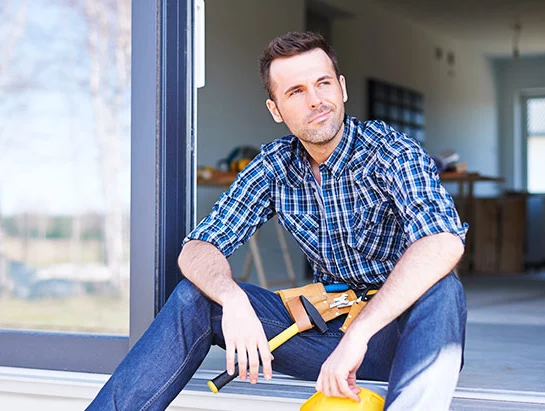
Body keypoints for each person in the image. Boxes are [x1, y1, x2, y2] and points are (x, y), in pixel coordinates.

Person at [87, 31, 468, 411]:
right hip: (326, 333)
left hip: (400, 339)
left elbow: (443, 241)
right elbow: (198, 247)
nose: (316, 100)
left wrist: (361, 333)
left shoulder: (392, 150)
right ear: (276, 110)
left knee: (443, 290)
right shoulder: (274, 165)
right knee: (197, 294)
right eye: (296, 92)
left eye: (323, 83)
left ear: (342, 88)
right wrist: (231, 298)